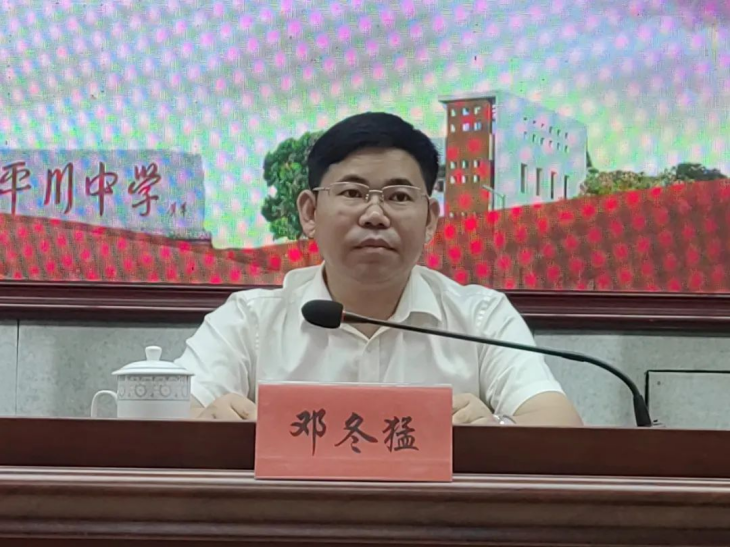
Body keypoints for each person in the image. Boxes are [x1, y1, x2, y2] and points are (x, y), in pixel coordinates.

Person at [176, 112, 582, 427]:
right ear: (310, 212)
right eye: (353, 193)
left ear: (430, 219)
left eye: (398, 196)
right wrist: (207, 422)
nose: (374, 214)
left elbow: (559, 424)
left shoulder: (480, 318)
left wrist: (496, 432)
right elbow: (163, 419)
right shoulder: (249, 321)